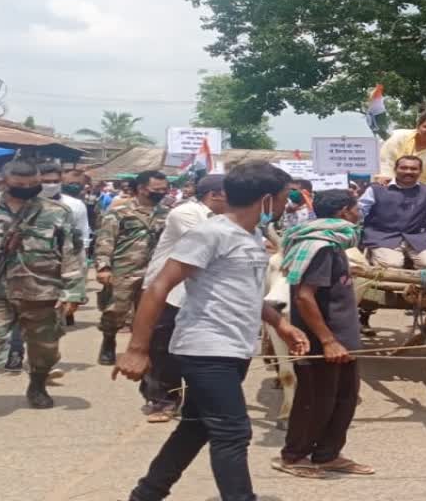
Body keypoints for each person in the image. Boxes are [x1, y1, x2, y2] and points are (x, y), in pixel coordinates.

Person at [113, 160, 309, 501]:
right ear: (265, 200)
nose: (285, 204)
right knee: (233, 432)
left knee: (197, 426)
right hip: (205, 349)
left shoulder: (253, 236)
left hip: (235, 348)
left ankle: (146, 494)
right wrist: (137, 349)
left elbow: (248, 294)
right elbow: (159, 287)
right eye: (282, 197)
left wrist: (281, 324)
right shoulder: (211, 233)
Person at [0, 160, 84, 425]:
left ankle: (37, 384)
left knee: (44, 347)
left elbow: (71, 252)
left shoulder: (57, 212)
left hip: (41, 291)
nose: (28, 189)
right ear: (4, 182)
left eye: (34, 185)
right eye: (20, 186)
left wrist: (72, 292)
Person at [273, 189, 374, 478]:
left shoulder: (335, 243)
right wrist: (328, 341)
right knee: (315, 400)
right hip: (323, 340)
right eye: (357, 208)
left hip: (344, 338)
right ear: (344, 211)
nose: (360, 213)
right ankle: (293, 457)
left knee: (345, 398)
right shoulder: (321, 247)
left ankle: (327, 455)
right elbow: (305, 297)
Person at [138, 175, 228, 423]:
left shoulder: (229, 219)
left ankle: (194, 399)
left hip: (202, 293)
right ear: (215, 195)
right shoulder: (185, 213)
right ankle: (161, 399)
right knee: (162, 349)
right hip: (169, 291)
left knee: (195, 348)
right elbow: (210, 245)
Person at [95, 171, 170, 366]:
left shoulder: (167, 213)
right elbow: (105, 239)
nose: (161, 192)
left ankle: (142, 348)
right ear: (142, 188)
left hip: (155, 270)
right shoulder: (119, 211)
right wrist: (104, 266)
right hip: (124, 268)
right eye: (156, 189)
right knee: (115, 310)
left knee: (150, 312)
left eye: (164, 189)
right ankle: (108, 341)